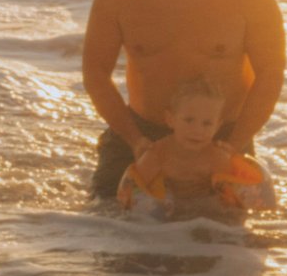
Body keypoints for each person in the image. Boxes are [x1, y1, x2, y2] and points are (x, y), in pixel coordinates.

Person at [83, 0, 286, 199]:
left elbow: (271, 72)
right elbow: (94, 72)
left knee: (231, 231)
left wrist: (234, 144)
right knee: (102, 223)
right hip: (141, 136)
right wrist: (136, 141)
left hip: (222, 137)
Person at [117, 78, 276, 221]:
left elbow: (230, 202)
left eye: (207, 124)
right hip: (168, 212)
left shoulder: (217, 158)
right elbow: (134, 192)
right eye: (189, 120)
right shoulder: (158, 154)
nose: (197, 130)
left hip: (205, 211)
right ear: (170, 119)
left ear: (217, 126)